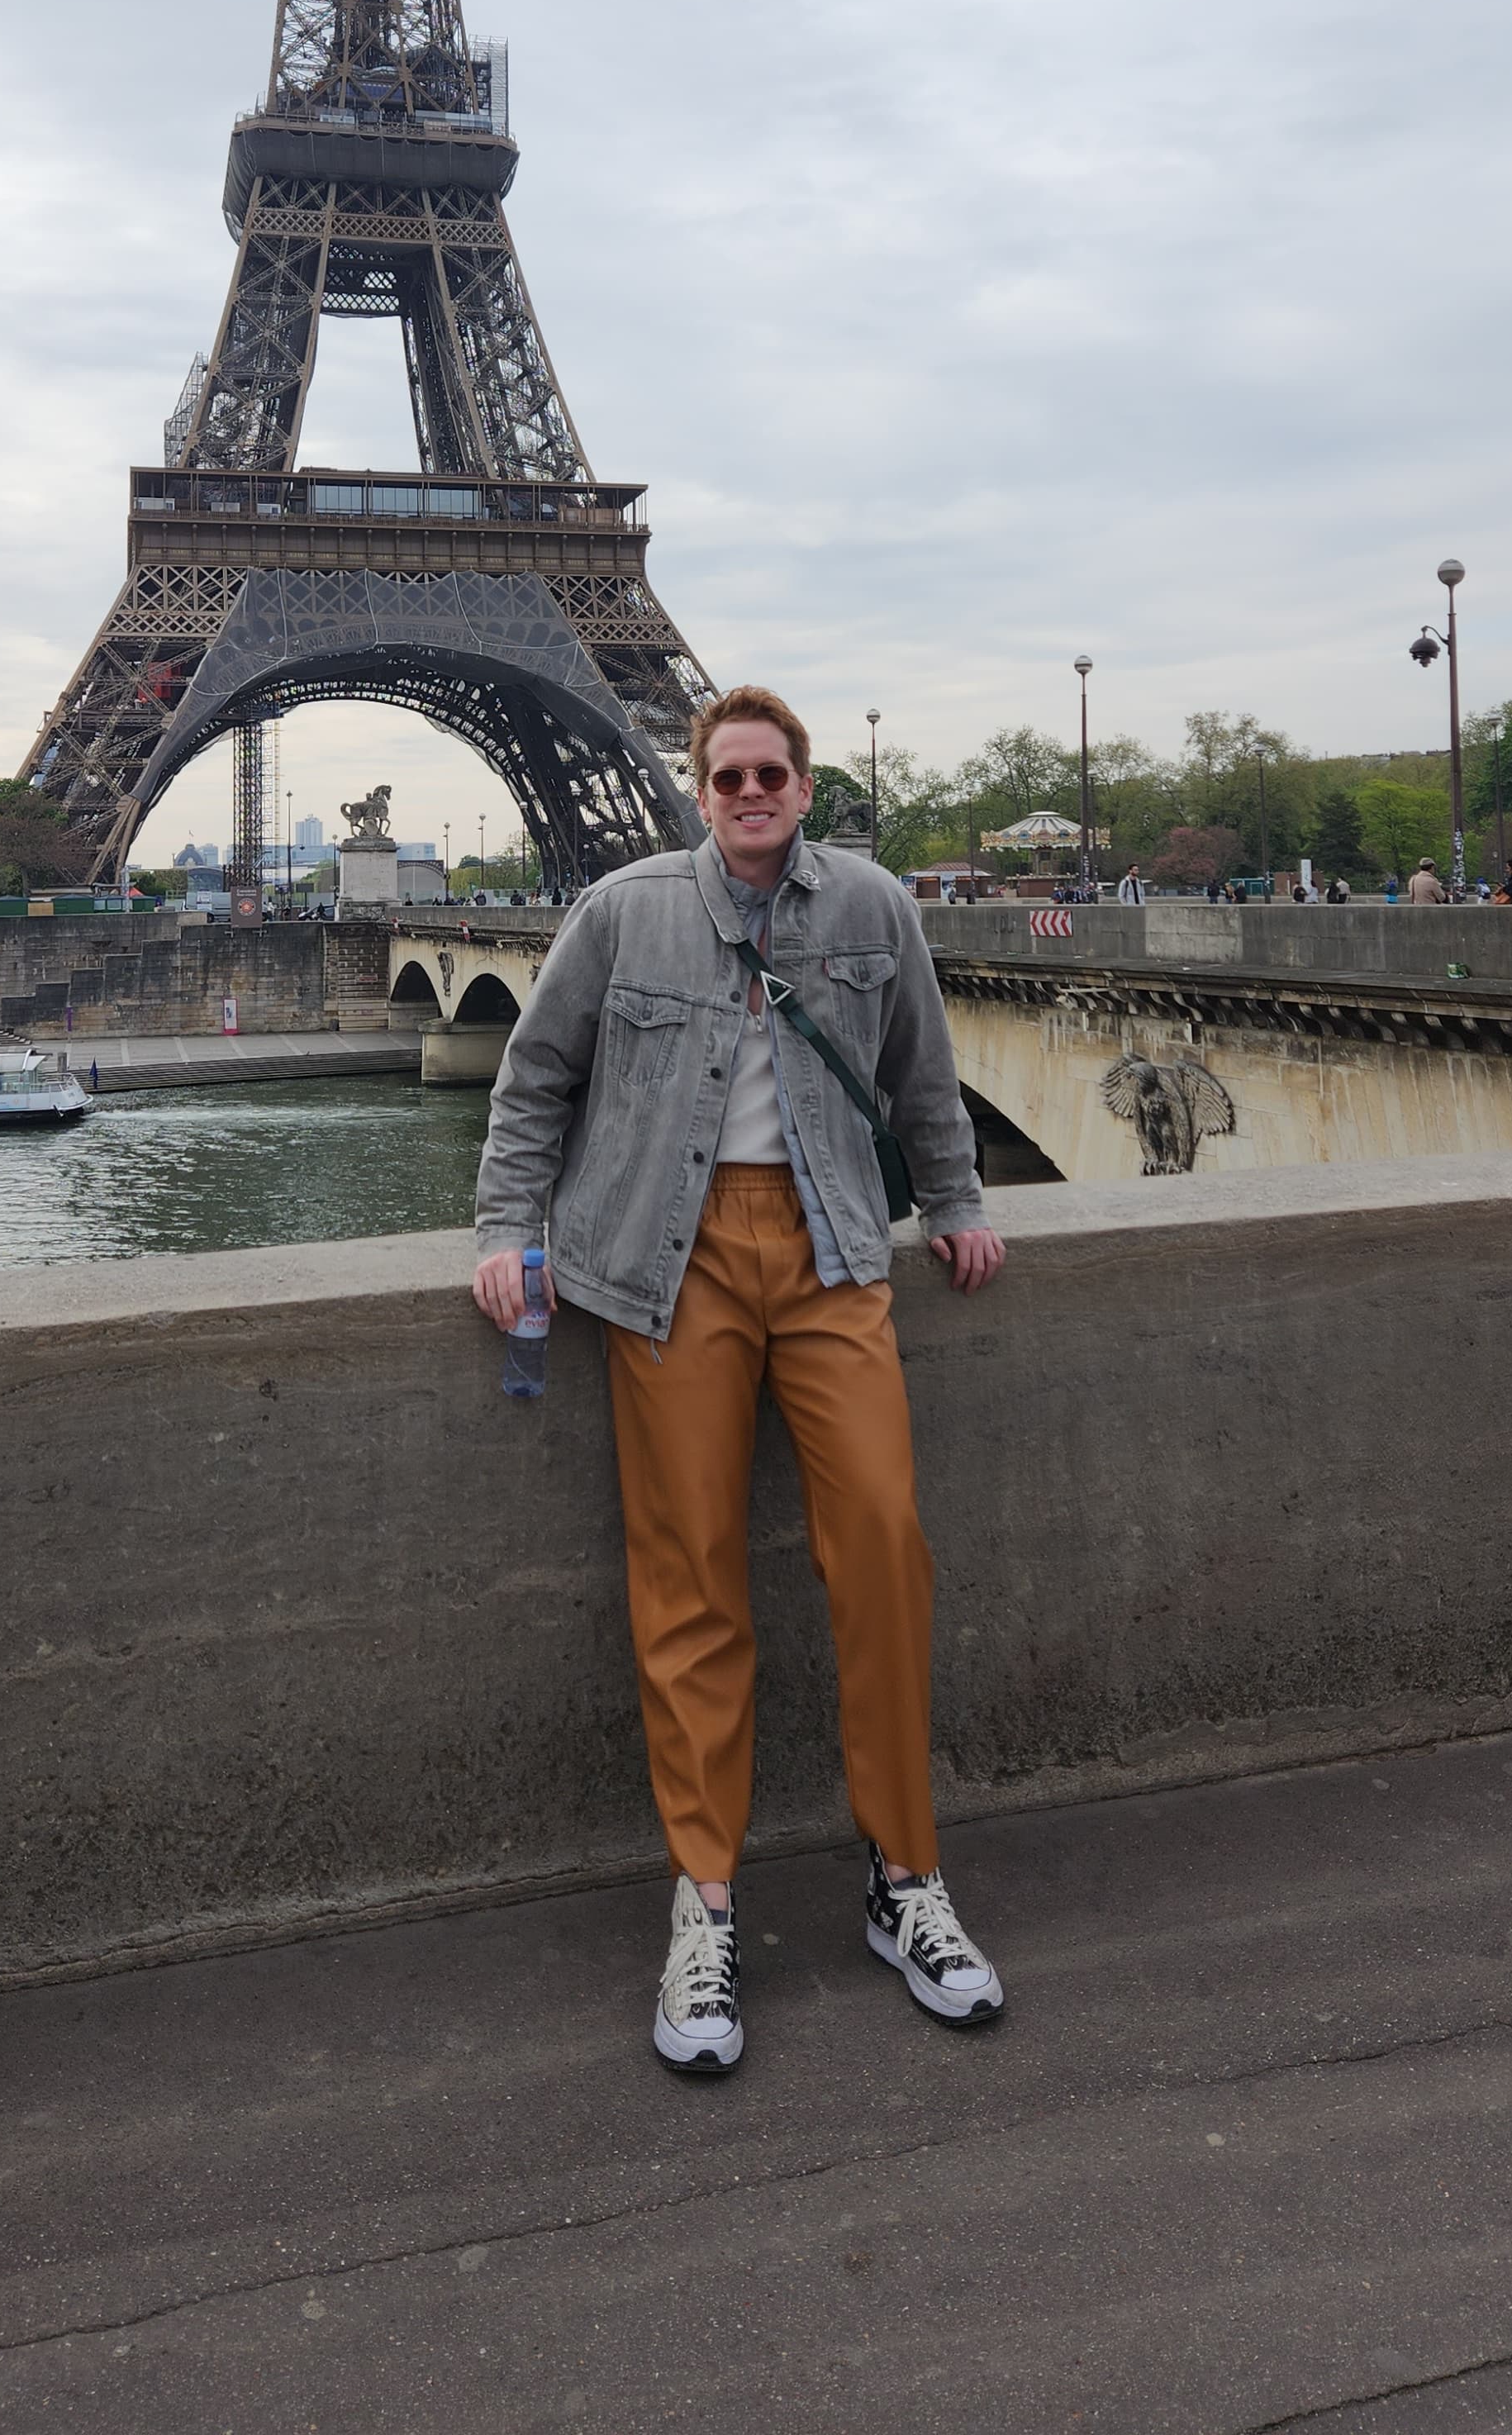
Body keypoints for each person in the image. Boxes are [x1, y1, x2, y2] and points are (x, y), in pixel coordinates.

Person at [473, 687, 1007, 2077]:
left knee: (884, 1541)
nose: (752, 792)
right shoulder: (623, 910)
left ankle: (905, 1876)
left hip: (833, 1249)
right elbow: (534, 1080)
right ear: (698, 790)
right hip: (671, 1255)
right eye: (730, 776)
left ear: (803, 786)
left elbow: (923, 1075)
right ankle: (704, 1899)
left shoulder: (875, 908)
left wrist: (955, 1202)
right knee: (689, 1573)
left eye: (773, 773)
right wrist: (503, 1233)